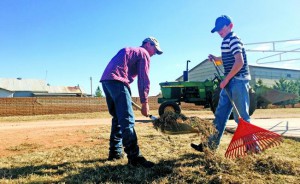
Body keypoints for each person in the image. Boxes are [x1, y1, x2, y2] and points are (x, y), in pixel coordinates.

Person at [191, 15, 254, 152]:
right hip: (229, 82)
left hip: (238, 81)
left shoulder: (234, 39)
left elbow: (239, 62)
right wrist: (216, 58)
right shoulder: (226, 40)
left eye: (222, 28)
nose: (220, 32)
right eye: (217, 30)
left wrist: (226, 79)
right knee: (220, 115)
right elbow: (228, 59)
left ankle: (253, 148)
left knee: (241, 117)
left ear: (230, 26)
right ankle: (210, 145)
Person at [100, 37, 163, 168]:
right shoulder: (143, 53)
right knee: (127, 119)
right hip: (118, 81)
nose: (154, 54)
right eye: (154, 50)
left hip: (107, 81)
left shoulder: (130, 50)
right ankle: (134, 157)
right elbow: (143, 79)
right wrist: (145, 102)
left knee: (118, 117)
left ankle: (115, 152)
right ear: (147, 44)